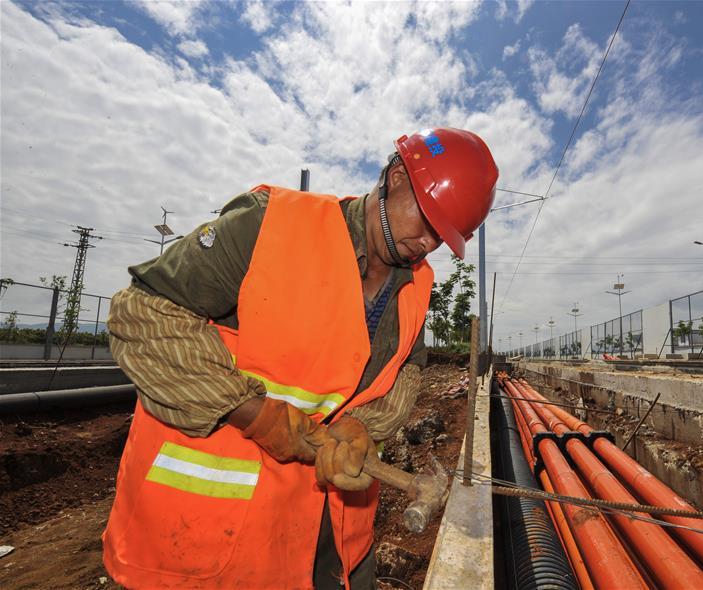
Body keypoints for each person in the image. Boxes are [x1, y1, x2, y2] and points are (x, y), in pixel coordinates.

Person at [101, 128, 498, 589]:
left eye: (442, 237)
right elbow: (144, 315)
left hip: (332, 543)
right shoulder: (270, 225)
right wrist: (252, 412)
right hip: (205, 537)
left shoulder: (415, 288)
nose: (428, 242)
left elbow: (405, 374)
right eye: (427, 219)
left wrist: (361, 427)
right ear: (395, 177)